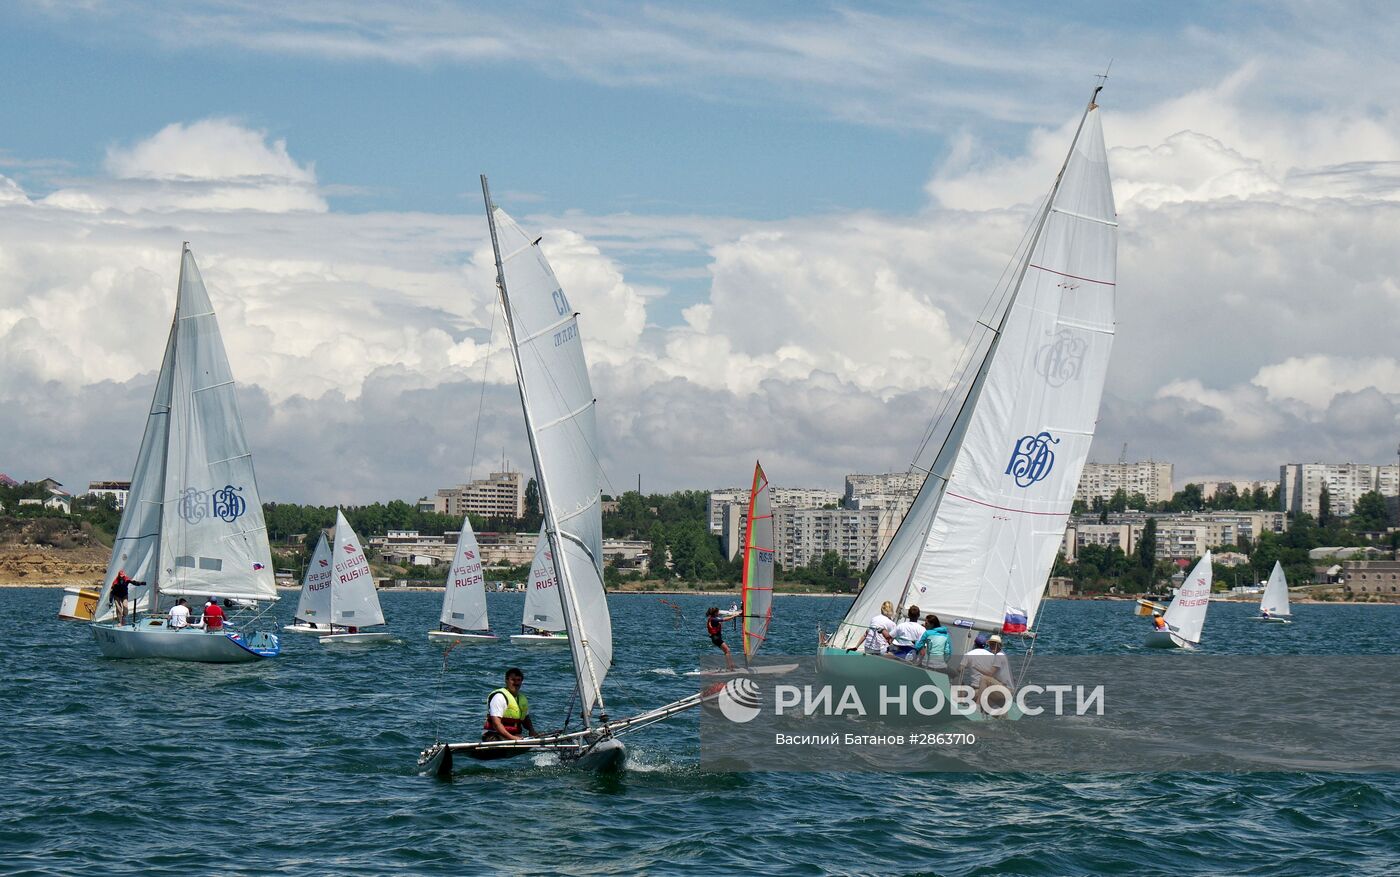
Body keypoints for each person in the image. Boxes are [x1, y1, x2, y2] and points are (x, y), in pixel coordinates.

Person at [483, 668, 537, 742]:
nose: (516, 683)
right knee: (496, 740)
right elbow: (496, 724)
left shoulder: (522, 699)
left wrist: (532, 731)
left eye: (519, 680)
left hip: (513, 737)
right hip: (493, 736)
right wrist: (513, 738)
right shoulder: (499, 697)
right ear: (506, 680)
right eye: (513, 680)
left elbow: (526, 719)